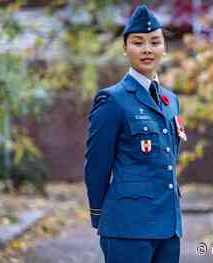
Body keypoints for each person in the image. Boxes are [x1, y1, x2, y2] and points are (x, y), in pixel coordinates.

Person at [84, 4, 187, 263]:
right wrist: (100, 214)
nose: (147, 49)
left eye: (155, 42)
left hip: (169, 225)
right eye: (138, 42)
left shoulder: (170, 100)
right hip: (127, 226)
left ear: (164, 48)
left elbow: (167, 161)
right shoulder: (113, 100)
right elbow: (97, 165)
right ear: (125, 48)